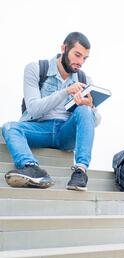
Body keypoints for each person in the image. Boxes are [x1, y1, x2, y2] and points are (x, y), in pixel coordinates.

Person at [2, 32, 101, 191]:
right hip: (40, 129)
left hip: (65, 133)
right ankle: (31, 168)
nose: (80, 62)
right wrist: (65, 92)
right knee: (9, 127)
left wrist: (90, 106)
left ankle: (80, 172)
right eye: (77, 55)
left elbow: (94, 122)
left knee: (84, 110)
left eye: (85, 58)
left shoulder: (84, 79)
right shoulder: (36, 69)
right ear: (64, 48)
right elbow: (33, 109)